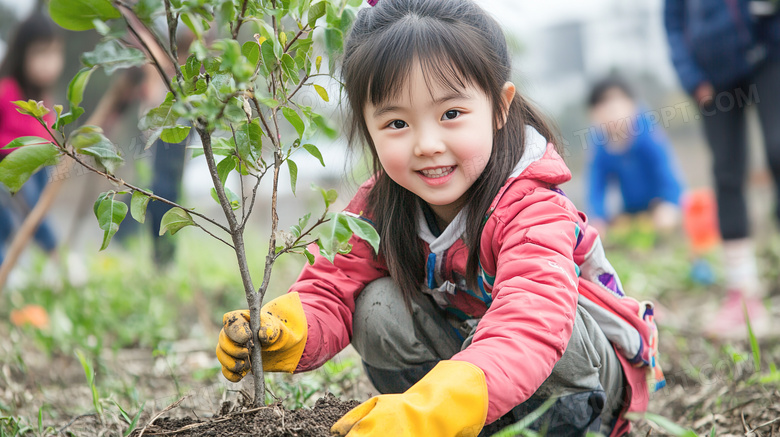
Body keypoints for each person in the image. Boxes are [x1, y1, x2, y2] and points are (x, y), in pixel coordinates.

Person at [217, 1, 664, 435]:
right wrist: (286, 329)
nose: (427, 144)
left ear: (499, 106)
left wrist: (434, 410)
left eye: (451, 114)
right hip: (478, 380)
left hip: (578, 384)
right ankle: (462, 424)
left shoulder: (531, 205)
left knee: (551, 324)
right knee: (374, 307)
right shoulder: (380, 206)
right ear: (368, 126)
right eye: (396, 123)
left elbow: (530, 325)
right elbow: (332, 285)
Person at [664, 0, 778, 337]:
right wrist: (691, 77)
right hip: (712, 74)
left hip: (769, 53)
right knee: (727, 173)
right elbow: (673, 22)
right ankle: (743, 296)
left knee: (778, 150)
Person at [0, 13, 64, 266]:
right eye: (41, 53)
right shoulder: (7, 91)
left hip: (39, 168)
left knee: (31, 216)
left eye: (55, 53)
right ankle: (54, 253)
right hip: (13, 168)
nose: (50, 63)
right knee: (22, 218)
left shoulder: (46, 100)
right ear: (22, 53)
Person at [586, 76, 684, 237]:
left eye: (616, 107)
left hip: (660, 203)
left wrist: (671, 204)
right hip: (631, 210)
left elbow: (666, 172)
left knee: (667, 224)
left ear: (632, 105)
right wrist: (597, 218)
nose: (612, 116)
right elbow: (596, 186)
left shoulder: (648, 133)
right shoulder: (599, 144)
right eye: (604, 109)